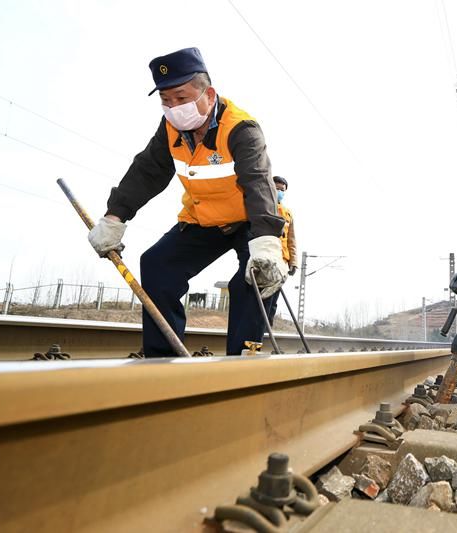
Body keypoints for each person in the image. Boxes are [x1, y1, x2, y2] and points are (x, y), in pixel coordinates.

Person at [87, 47, 287, 356]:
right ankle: (163, 359)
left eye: (181, 98)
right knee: (157, 265)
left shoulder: (241, 128)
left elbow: (258, 183)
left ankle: (243, 360)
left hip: (250, 221)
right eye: (166, 101)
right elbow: (147, 172)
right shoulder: (170, 129)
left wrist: (267, 244)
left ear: (209, 94)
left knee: (252, 278)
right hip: (203, 220)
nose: (174, 107)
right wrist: (114, 218)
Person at [266, 176, 299, 326]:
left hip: (282, 262)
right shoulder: (263, 205)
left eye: (282, 190)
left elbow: (291, 240)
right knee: (263, 298)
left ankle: (267, 330)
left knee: (273, 300)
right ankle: (258, 330)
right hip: (266, 258)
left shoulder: (288, 213)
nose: (279, 192)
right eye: (277, 188)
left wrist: (294, 262)